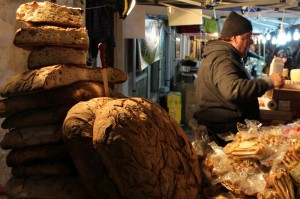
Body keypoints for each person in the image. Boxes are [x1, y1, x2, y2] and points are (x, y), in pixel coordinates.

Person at [193, 11, 284, 146]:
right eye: (248, 36)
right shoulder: (223, 58)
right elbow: (233, 89)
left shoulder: (220, 55)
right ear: (235, 38)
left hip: (219, 132)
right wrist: (269, 82)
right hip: (223, 136)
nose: (252, 41)